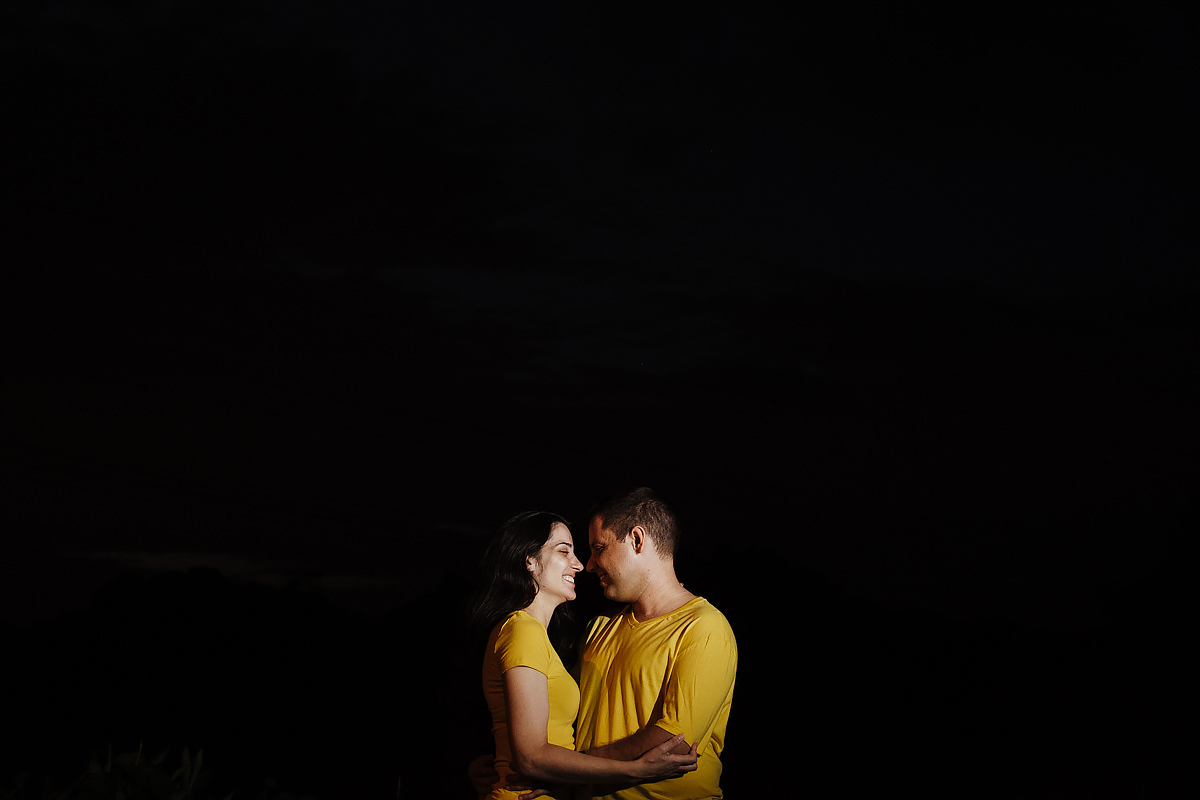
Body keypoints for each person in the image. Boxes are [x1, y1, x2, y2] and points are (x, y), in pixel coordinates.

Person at [470, 490, 738, 800]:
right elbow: (545, 715)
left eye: (599, 548)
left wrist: (560, 772)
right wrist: (499, 761)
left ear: (637, 540)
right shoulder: (598, 629)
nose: (589, 564)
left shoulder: (703, 626)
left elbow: (675, 744)